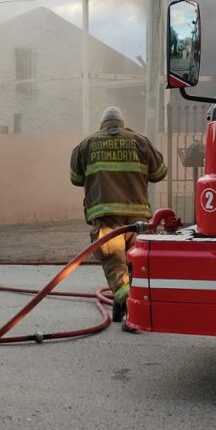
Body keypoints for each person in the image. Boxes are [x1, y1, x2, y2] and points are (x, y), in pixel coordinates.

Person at [70, 106, 168, 329]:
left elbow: (75, 178)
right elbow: (160, 172)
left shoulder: (86, 145)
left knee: (115, 264)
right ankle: (132, 305)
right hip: (137, 219)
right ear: (121, 122)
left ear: (102, 124)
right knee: (136, 263)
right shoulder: (140, 141)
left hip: (105, 217)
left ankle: (124, 302)